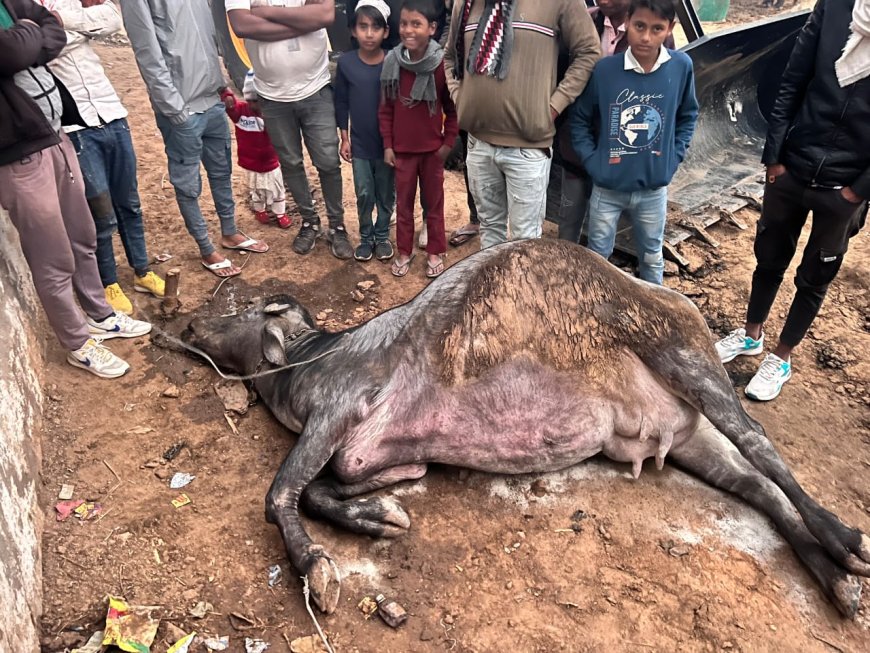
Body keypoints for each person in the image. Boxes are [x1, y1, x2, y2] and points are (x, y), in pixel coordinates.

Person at [714, 0, 869, 401]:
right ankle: (751, 335)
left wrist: (858, 192)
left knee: (816, 274)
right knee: (769, 255)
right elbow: (793, 78)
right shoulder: (836, 8)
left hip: (845, 187)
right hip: (793, 165)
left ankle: (781, 357)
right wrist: (775, 155)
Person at [0, 0, 151, 379]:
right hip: (16, 155)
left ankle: (100, 315)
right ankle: (77, 343)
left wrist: (29, 36)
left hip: (56, 136)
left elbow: (50, 28)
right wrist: (29, 38)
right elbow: (13, 50)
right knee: (52, 257)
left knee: (83, 235)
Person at [121, 0, 268, 279]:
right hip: (182, 108)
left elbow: (209, 38)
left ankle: (230, 232)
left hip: (212, 99)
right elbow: (147, 52)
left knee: (221, 171)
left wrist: (222, 83)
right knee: (188, 184)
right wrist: (174, 108)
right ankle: (206, 248)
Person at [38, 0, 164, 316]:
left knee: (130, 203)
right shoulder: (24, 6)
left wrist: (60, 21)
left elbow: (110, 17)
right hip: (75, 126)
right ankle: (109, 281)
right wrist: (82, 28)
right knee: (101, 212)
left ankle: (141, 270)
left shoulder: (62, 4)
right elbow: (41, 49)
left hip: (112, 113)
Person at [444, 0, 600, 250]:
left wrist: (553, 106)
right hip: (478, 144)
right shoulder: (465, 4)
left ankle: (519, 290)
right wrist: (459, 98)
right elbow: (450, 56)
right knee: (489, 230)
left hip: (528, 147)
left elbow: (589, 51)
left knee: (524, 242)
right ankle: (495, 290)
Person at [571, 0, 697, 285]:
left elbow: (688, 115)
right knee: (598, 255)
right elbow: (580, 119)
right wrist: (594, 163)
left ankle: (655, 310)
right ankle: (597, 309)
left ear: (670, 29)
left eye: (657, 29)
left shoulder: (680, 67)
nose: (646, 37)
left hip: (653, 189)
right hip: (607, 186)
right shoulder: (605, 71)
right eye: (640, 26)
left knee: (652, 255)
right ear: (627, 21)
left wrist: (672, 158)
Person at [226, 0, 353, 259]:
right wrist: (301, 21)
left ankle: (337, 225)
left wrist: (267, 13)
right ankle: (309, 221)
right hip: (272, 96)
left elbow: (325, 14)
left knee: (328, 163)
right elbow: (241, 24)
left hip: (315, 88)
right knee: (291, 163)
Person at [379, 0, 458, 278]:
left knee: (434, 204)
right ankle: (404, 250)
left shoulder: (440, 66)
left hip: (432, 152)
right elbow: (386, 108)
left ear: (432, 28)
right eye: (403, 23)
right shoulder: (393, 63)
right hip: (402, 152)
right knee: (403, 204)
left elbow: (453, 107)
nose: (408, 30)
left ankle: (435, 250)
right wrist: (388, 145)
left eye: (416, 24)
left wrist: (448, 143)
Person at [335, 0, 396, 262]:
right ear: (353, 30)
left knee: (385, 192)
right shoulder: (346, 64)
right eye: (363, 27)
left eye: (375, 27)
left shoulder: (393, 62)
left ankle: (382, 236)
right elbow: (341, 102)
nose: (369, 33)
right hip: (359, 144)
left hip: (387, 145)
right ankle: (365, 237)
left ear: (386, 32)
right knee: (363, 193)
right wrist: (344, 138)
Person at [220, 75, 291, 230]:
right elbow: (229, 104)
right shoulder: (240, 112)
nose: (254, 105)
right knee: (256, 189)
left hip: (271, 161)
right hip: (250, 162)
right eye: (250, 100)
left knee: (277, 189)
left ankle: (280, 213)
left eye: (257, 101)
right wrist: (227, 96)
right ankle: (260, 210)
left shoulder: (272, 114)